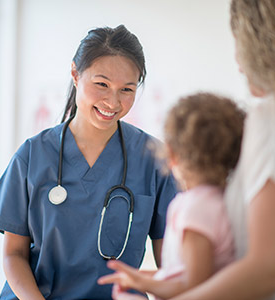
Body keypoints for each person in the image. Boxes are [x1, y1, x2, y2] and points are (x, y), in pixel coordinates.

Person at [0, 25, 176, 300]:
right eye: (102, 84)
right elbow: (13, 254)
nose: (113, 101)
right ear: (75, 74)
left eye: (127, 89)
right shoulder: (33, 154)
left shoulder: (154, 159)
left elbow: (171, 264)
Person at [108, 1, 275, 299]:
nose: (238, 62)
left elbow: (206, 278)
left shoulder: (266, 121)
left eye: (127, 88)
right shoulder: (218, 198)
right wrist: (148, 279)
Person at [98, 92, 245, 300]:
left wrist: (140, 291)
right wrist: (141, 279)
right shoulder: (223, 200)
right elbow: (183, 274)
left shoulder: (195, 209)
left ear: (172, 155)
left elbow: (194, 287)